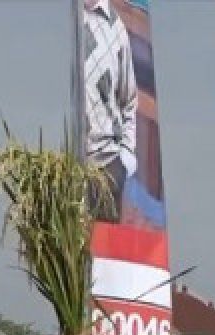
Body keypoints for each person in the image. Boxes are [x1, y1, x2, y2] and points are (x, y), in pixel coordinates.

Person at [83, 0, 137, 222]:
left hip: (107, 165)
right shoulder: (62, 22)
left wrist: (126, 157)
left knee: (103, 253)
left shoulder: (116, 27)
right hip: (62, 164)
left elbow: (129, 99)